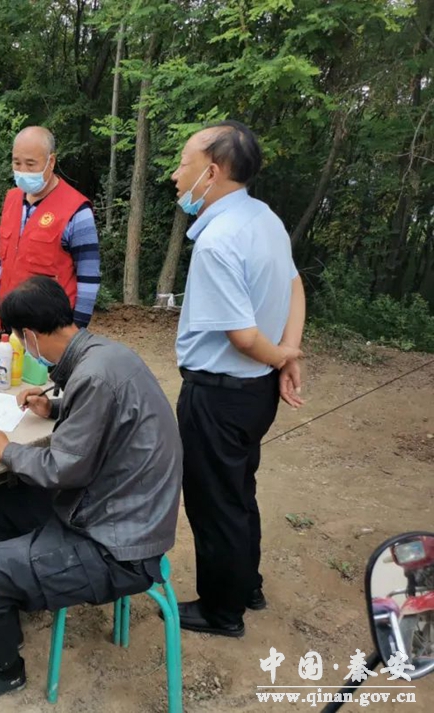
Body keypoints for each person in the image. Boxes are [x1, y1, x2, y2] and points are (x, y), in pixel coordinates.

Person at [0, 276, 183, 707]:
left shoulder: (93, 376)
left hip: (116, 547)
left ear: (29, 335)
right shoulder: (106, 354)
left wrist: (5, 448)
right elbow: (101, 419)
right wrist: (53, 407)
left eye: (19, 338)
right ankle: (5, 607)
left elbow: (61, 469)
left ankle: (1, 669)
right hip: (124, 513)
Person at [170, 120, 306, 638]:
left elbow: (244, 336)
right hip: (255, 393)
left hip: (219, 395)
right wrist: (288, 354)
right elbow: (295, 286)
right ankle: (246, 585)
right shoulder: (264, 218)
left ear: (212, 172)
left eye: (184, 164)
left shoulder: (218, 241)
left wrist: (280, 354)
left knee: (215, 502)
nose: (176, 175)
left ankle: (221, 610)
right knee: (239, 491)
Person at [0, 127, 101, 339]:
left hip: (52, 333)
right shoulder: (11, 200)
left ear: (51, 162)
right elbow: (3, 262)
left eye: (31, 164)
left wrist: (76, 332)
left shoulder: (77, 211)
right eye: (17, 163)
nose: (23, 170)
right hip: (12, 325)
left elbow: (89, 278)